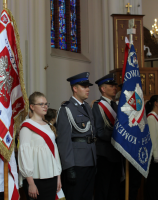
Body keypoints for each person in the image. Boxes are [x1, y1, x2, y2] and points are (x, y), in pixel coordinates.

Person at [56, 72, 97, 200]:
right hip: (77, 162)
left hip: (90, 159)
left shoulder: (86, 107)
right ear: (75, 88)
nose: (88, 89)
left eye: (88, 86)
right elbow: (64, 141)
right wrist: (69, 167)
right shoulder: (66, 109)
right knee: (75, 196)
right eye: (84, 86)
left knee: (87, 196)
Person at [19, 92, 62, 200]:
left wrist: (58, 176)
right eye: (41, 104)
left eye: (46, 104)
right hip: (36, 179)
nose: (45, 106)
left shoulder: (48, 125)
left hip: (52, 177)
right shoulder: (26, 127)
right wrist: (31, 183)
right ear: (32, 107)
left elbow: (54, 151)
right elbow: (24, 155)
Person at [92, 73, 123, 200]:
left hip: (116, 152)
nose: (115, 88)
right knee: (103, 189)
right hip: (104, 154)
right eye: (111, 85)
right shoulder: (98, 106)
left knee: (115, 189)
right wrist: (118, 136)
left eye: (115, 85)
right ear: (103, 89)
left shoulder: (116, 106)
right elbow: (99, 131)